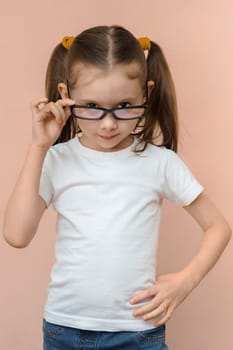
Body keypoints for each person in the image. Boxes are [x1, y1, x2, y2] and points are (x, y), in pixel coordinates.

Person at [3, 25, 231, 350]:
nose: (108, 124)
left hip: (138, 333)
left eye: (124, 105)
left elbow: (218, 227)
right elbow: (16, 235)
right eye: (92, 106)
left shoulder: (159, 163)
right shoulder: (56, 159)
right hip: (64, 330)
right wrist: (39, 147)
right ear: (65, 94)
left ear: (147, 94)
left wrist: (185, 281)